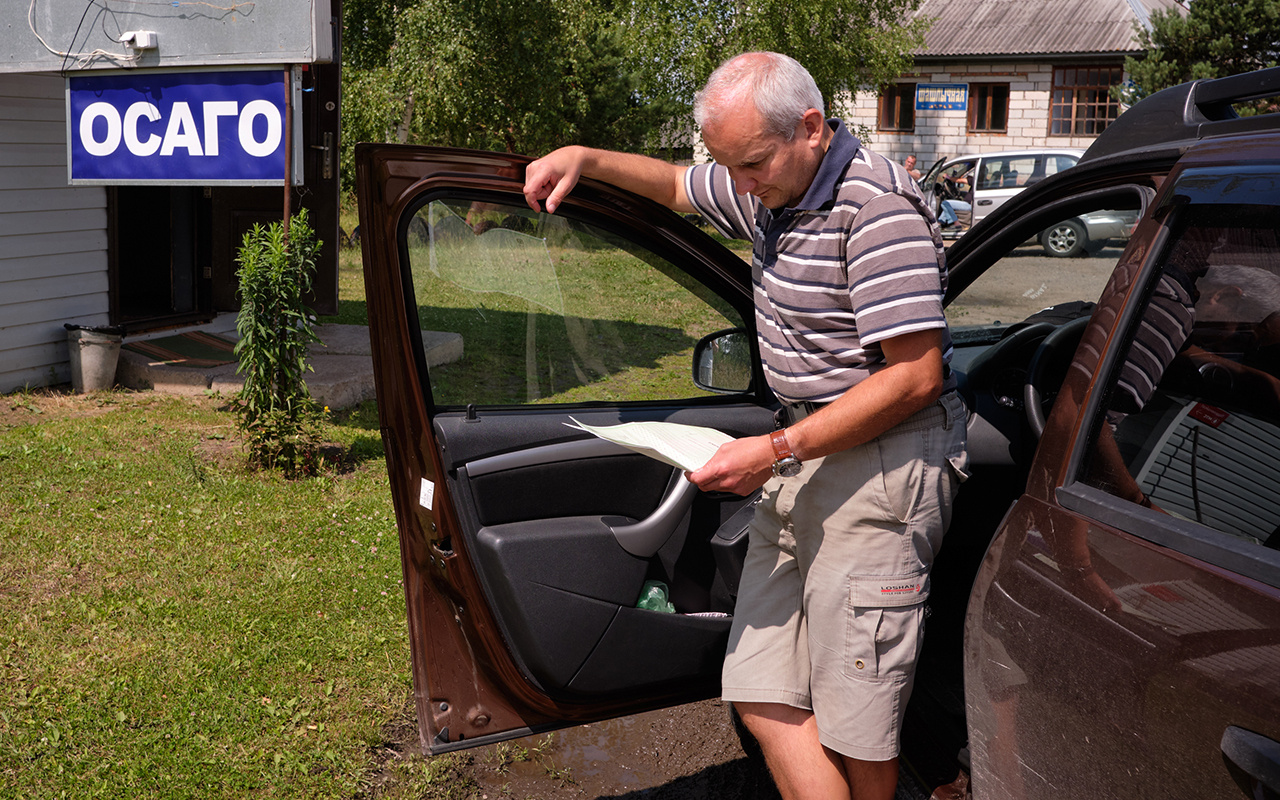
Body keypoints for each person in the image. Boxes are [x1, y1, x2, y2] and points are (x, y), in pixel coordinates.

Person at [523, 51, 967, 800]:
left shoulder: (876, 208)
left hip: (881, 465)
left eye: (752, 164)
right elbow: (671, 185)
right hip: (802, 455)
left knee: (856, 722)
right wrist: (583, 157)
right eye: (729, 167)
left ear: (812, 127)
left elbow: (915, 377)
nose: (741, 185)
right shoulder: (767, 190)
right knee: (760, 690)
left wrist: (776, 448)